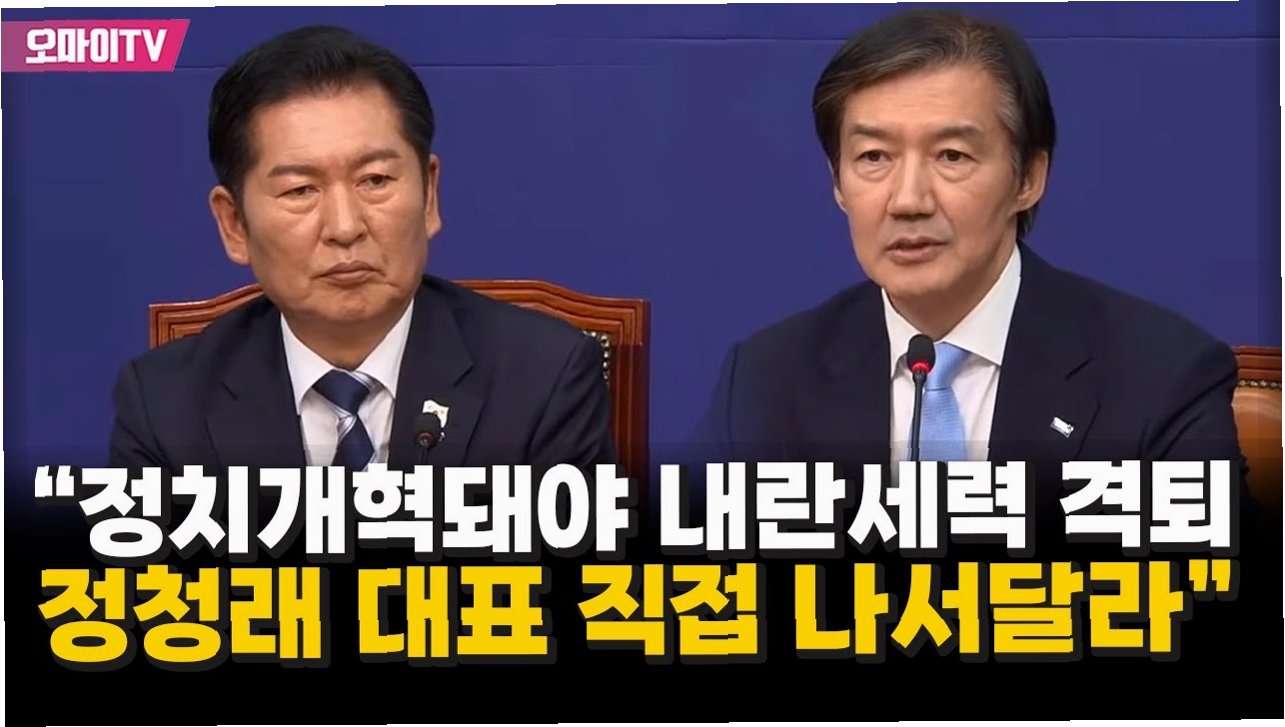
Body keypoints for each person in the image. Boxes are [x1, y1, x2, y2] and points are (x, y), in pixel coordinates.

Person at [697, 9, 1246, 524]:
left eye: (951, 156)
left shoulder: (1160, 376)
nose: (908, 199)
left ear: (1028, 178)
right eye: (873, 158)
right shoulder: (768, 378)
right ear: (838, 184)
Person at [108, 25, 615, 473]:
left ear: (429, 196)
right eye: (300, 190)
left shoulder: (542, 377)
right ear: (234, 223)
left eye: (375, 180)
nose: (345, 227)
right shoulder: (163, 405)